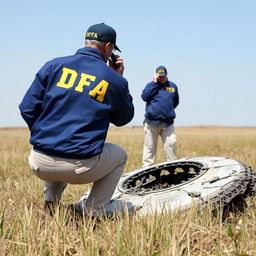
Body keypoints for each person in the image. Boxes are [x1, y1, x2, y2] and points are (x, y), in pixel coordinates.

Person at [19, 23, 134, 218]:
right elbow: (123, 118)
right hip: (80, 169)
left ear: (87, 42)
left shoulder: (53, 65)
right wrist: (118, 79)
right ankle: (93, 213)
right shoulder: (112, 79)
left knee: (59, 139)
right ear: (108, 48)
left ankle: (50, 204)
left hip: (39, 163)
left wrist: (44, 134)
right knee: (120, 155)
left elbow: (27, 107)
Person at [141, 66, 179, 167]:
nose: (162, 78)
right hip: (151, 123)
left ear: (167, 75)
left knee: (171, 144)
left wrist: (167, 111)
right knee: (149, 148)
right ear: (157, 75)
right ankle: (146, 171)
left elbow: (175, 102)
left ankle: (172, 169)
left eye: (164, 76)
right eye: (160, 76)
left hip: (168, 123)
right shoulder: (151, 85)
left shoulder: (173, 86)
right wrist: (154, 83)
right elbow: (144, 97)